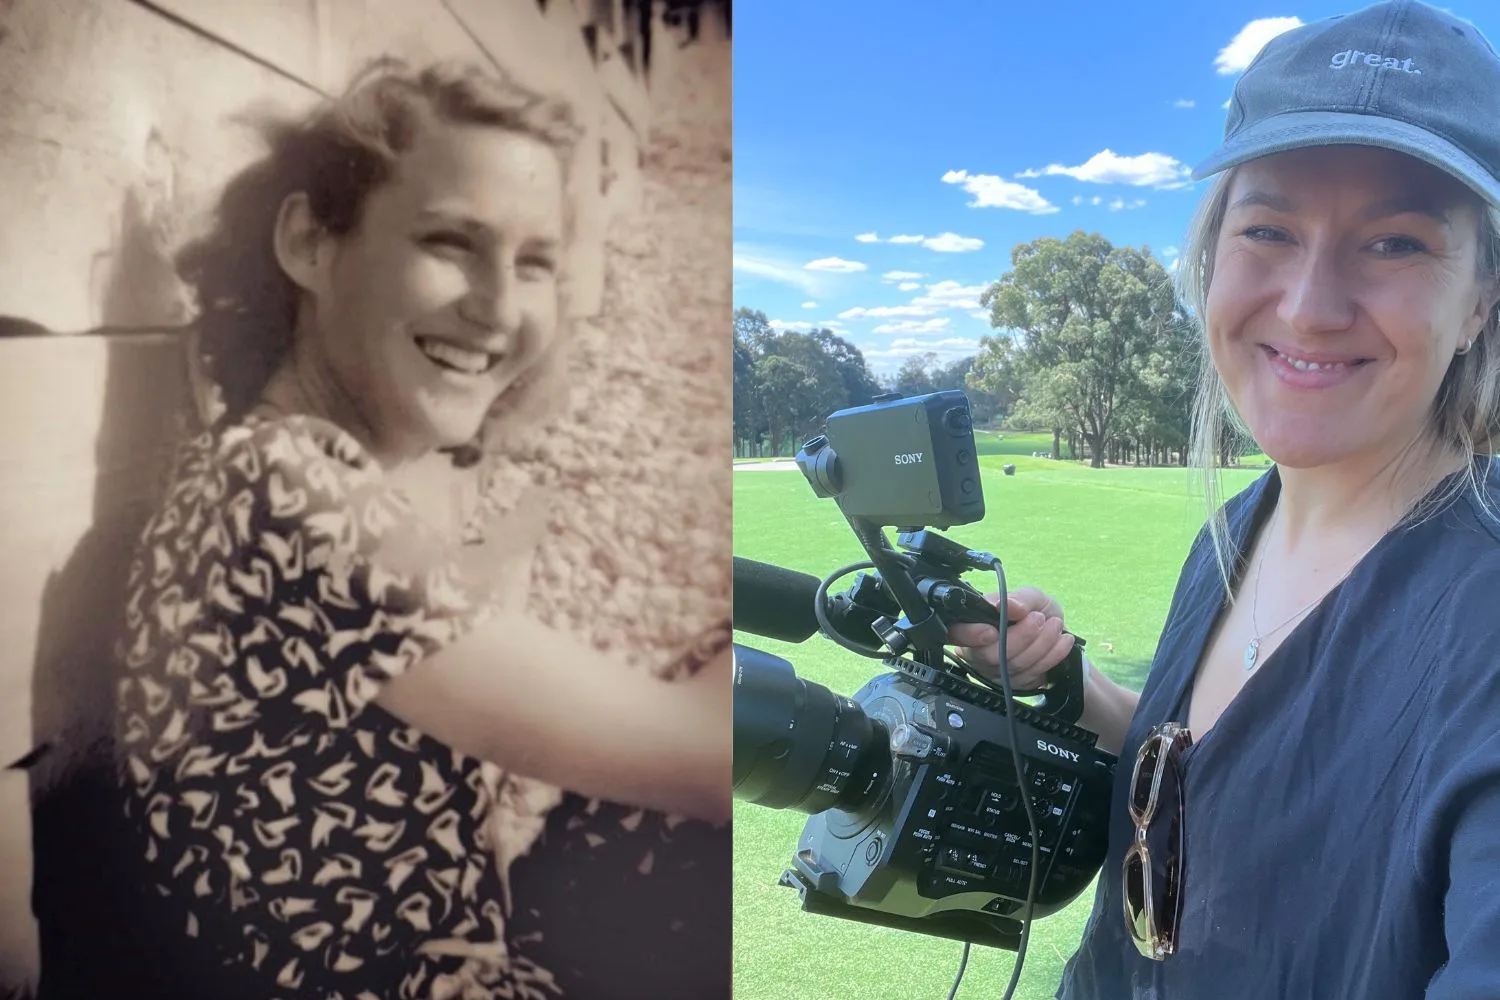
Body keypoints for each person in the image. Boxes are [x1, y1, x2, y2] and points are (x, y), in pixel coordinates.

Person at [102, 58, 730, 1000]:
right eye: (450, 242)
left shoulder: (275, 470)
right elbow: (712, 761)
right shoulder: (288, 496)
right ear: (310, 242)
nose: (500, 305)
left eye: (534, 263)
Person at [950, 2, 1500, 996]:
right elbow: (1216, 765)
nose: (1308, 305)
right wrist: (1068, 678)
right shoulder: (1238, 527)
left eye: (1398, 244)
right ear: (1213, 252)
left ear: (1481, 301)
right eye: (1269, 229)